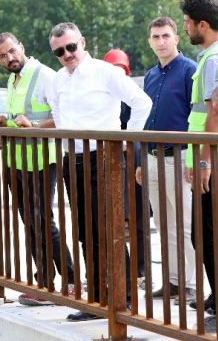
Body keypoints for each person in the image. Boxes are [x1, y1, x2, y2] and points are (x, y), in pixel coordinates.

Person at [47, 22, 152, 322]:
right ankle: (95, 299)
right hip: (73, 160)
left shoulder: (107, 72)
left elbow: (142, 103)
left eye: (70, 47)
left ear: (82, 42)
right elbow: (56, 110)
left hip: (105, 157)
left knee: (111, 229)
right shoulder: (57, 80)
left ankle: (126, 299)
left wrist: (125, 141)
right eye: (59, 51)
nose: (67, 54)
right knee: (85, 231)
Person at [0, 32, 75, 306]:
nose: (9, 58)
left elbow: (61, 115)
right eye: (3, 55)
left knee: (40, 220)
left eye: (12, 51)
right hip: (17, 159)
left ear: (22, 47)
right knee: (32, 221)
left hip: (41, 158)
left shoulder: (45, 75)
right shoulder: (12, 79)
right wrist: (6, 122)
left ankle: (59, 282)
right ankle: (54, 281)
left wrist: (34, 127)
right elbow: (21, 118)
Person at [134, 17, 197, 303]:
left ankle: (190, 284)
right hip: (152, 157)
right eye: (156, 37)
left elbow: (197, 118)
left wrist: (194, 161)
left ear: (176, 39)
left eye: (166, 36)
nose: (161, 41)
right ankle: (172, 282)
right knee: (162, 224)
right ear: (149, 41)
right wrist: (140, 161)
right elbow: (146, 120)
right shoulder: (150, 76)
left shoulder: (189, 71)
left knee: (184, 224)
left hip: (179, 157)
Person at [180, 0, 218, 314]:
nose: (185, 28)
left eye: (187, 22)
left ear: (202, 24)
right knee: (204, 231)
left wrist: (203, 161)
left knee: (206, 232)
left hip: (210, 160)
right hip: (205, 157)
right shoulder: (210, 56)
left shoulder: (213, 59)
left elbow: (213, 113)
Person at [103, 49, 148, 286]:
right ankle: (119, 268)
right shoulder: (102, 94)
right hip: (111, 159)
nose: (118, 74)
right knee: (115, 216)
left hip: (134, 156)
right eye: (114, 69)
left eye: (122, 69)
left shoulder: (132, 94)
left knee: (138, 216)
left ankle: (140, 269)